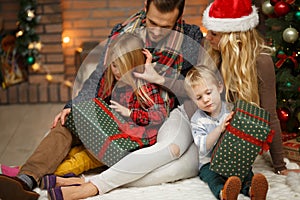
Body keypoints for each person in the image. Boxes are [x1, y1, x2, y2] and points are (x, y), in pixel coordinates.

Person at [0, 0, 203, 199]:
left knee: (90, 153)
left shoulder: (190, 40)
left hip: (149, 119)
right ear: (145, 8)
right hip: (117, 105)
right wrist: (73, 107)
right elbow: (99, 76)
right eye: (152, 23)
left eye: (165, 26)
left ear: (178, 18)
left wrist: (159, 79)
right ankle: (26, 179)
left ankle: (50, 175)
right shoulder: (122, 33)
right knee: (67, 123)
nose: (157, 32)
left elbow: (195, 91)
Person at [202, 0, 300, 177]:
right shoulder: (213, 54)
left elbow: (270, 115)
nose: (207, 37)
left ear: (233, 38)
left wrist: (280, 165)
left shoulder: (261, 62)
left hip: (233, 138)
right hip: (206, 130)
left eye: (214, 34)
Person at [184, 65, 269, 200]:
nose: (205, 99)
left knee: (245, 171)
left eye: (208, 92)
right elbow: (203, 146)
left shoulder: (231, 109)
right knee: (213, 177)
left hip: (233, 159)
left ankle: (252, 190)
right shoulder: (198, 120)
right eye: (199, 97)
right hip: (209, 163)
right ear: (194, 101)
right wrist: (219, 129)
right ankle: (224, 193)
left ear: (219, 87)